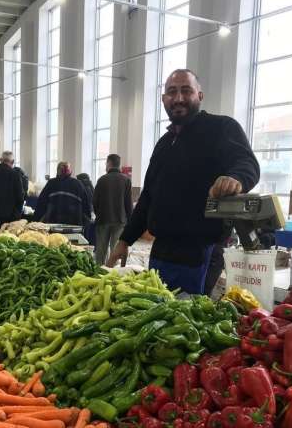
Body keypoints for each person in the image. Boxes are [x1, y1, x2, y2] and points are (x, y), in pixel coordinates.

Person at [106, 69, 260, 294]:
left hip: (200, 251)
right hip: (161, 251)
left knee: (187, 320)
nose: (178, 98)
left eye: (186, 91)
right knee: (155, 313)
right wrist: (124, 241)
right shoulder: (164, 144)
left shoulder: (221, 128)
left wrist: (236, 178)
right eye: (172, 92)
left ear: (200, 95)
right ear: (163, 99)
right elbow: (148, 197)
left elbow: (247, 163)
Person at [92, 154, 133, 265]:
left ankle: (99, 272)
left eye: (106, 163)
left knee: (101, 250)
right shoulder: (126, 180)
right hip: (120, 220)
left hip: (103, 220)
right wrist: (129, 221)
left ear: (109, 163)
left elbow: (95, 202)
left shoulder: (101, 180)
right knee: (115, 250)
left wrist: (98, 214)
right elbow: (128, 204)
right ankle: (112, 274)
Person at [34, 162, 92, 226]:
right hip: (74, 225)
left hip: (53, 223)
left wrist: (37, 219)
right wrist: (86, 222)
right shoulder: (78, 184)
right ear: (70, 172)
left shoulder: (51, 184)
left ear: (57, 171)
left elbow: (41, 204)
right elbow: (86, 206)